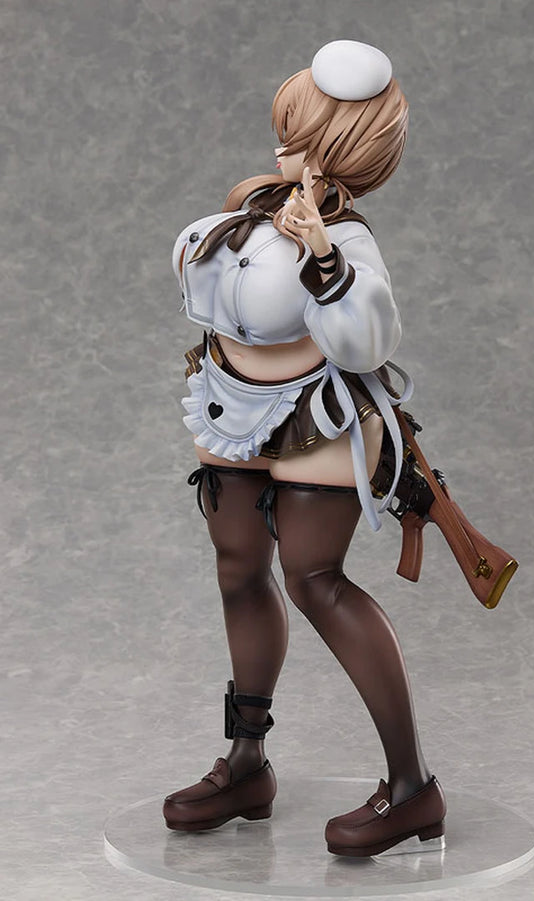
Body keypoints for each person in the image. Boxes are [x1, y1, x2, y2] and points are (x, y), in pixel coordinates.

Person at [162, 40, 446, 857]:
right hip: (230, 405)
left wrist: (323, 253)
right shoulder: (255, 204)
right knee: (237, 570)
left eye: (306, 136)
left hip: (318, 416)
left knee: (315, 580)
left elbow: (368, 339)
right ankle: (246, 762)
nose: (289, 148)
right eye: (291, 131)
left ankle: (412, 787)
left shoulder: (347, 238)